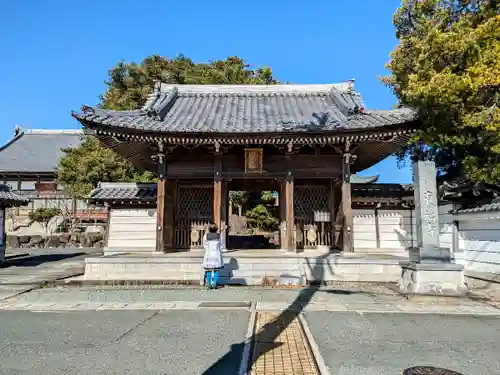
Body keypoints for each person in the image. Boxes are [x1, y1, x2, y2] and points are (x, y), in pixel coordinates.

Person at [202, 223, 224, 289]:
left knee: (209, 270)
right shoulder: (219, 236)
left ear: (209, 228)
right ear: (216, 228)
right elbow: (221, 245)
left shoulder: (206, 236)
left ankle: (209, 284)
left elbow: (204, 245)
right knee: (216, 270)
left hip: (208, 254)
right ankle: (214, 283)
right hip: (216, 254)